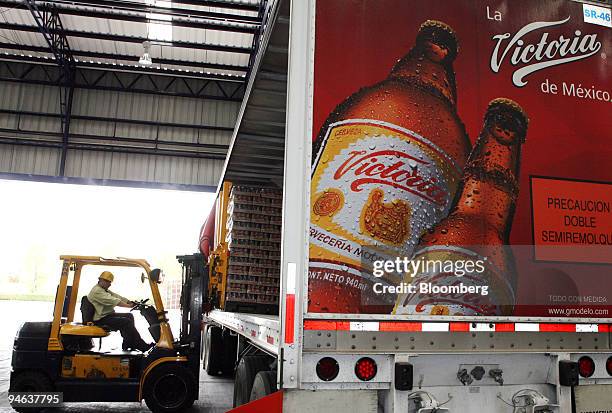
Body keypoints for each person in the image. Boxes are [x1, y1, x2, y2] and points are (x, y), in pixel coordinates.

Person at [88, 271, 152, 352]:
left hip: (106, 316)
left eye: (110, 282)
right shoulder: (97, 291)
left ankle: (127, 343)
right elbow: (113, 300)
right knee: (126, 322)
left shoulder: (103, 289)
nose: (109, 284)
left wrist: (129, 301)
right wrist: (128, 306)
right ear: (100, 280)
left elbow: (116, 296)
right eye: (107, 281)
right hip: (100, 319)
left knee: (129, 316)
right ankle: (140, 345)